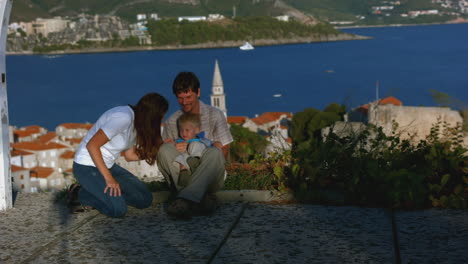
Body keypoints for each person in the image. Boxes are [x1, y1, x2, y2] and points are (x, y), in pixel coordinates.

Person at [72, 93, 168, 218]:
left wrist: (159, 149)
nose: (161, 120)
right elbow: (92, 146)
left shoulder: (137, 124)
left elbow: (130, 155)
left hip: (109, 165)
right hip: (87, 165)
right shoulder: (123, 118)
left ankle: (104, 194)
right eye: (160, 117)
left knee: (144, 199)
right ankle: (79, 194)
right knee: (118, 210)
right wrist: (109, 179)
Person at [157, 71, 233, 218]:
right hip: (184, 172)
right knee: (164, 150)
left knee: (215, 152)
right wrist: (175, 148)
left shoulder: (215, 115)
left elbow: (224, 152)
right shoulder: (173, 121)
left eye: (188, 97)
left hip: (210, 174)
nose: (185, 102)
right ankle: (201, 199)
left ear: (198, 92)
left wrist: (209, 148)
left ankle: (184, 199)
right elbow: (167, 155)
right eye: (180, 98)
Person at [173, 112, 213, 186]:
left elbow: (209, 147)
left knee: (194, 145)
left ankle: (196, 161)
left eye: (187, 130)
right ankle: (184, 172)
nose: (184, 133)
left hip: (199, 159)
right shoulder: (178, 141)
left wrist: (188, 146)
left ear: (197, 130)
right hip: (186, 162)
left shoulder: (201, 140)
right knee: (180, 156)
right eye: (181, 130)